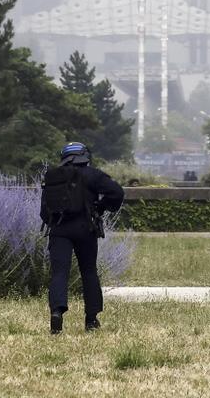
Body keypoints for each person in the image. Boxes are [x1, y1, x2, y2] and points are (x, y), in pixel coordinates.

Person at [40, 142, 125, 333]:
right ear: (84, 156)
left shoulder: (53, 176)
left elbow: (44, 212)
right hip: (85, 229)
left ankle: (57, 312)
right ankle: (91, 319)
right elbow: (117, 192)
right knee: (88, 271)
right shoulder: (93, 174)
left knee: (59, 272)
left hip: (59, 231)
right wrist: (101, 207)